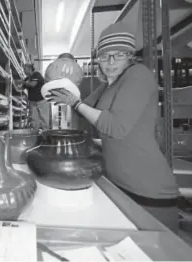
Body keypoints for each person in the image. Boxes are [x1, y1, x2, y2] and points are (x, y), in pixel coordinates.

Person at [46, 22, 179, 233]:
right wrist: (64, 90)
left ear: (130, 55)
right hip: (119, 184)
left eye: (118, 55)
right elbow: (83, 110)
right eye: (104, 56)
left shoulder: (139, 75)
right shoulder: (110, 83)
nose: (110, 61)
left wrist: (75, 102)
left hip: (149, 191)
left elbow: (116, 127)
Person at [15, 63, 50, 130]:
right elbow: (21, 88)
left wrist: (22, 82)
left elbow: (32, 84)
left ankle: (46, 136)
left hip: (41, 100)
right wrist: (15, 83)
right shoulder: (27, 78)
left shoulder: (36, 75)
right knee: (34, 119)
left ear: (30, 68)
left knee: (44, 119)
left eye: (25, 69)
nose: (24, 71)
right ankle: (35, 135)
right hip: (33, 102)